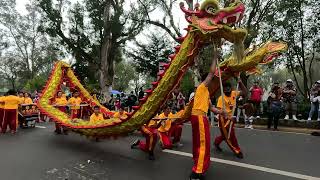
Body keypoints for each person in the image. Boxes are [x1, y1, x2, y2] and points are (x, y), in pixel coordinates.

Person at [189, 47, 226, 180]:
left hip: (199, 117)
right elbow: (211, 72)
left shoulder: (206, 94)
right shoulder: (202, 87)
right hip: (199, 117)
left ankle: (197, 164)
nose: (213, 82)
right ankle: (196, 172)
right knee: (203, 144)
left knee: (199, 143)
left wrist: (222, 112)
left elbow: (212, 109)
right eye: (212, 80)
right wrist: (215, 57)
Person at [214, 80, 247, 159]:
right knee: (231, 136)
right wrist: (229, 118)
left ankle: (216, 142)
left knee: (225, 135)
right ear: (223, 89)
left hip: (231, 118)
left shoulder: (234, 93)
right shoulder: (221, 98)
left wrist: (240, 82)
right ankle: (237, 150)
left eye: (228, 88)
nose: (227, 90)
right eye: (225, 89)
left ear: (231, 88)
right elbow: (219, 112)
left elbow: (245, 92)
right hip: (224, 119)